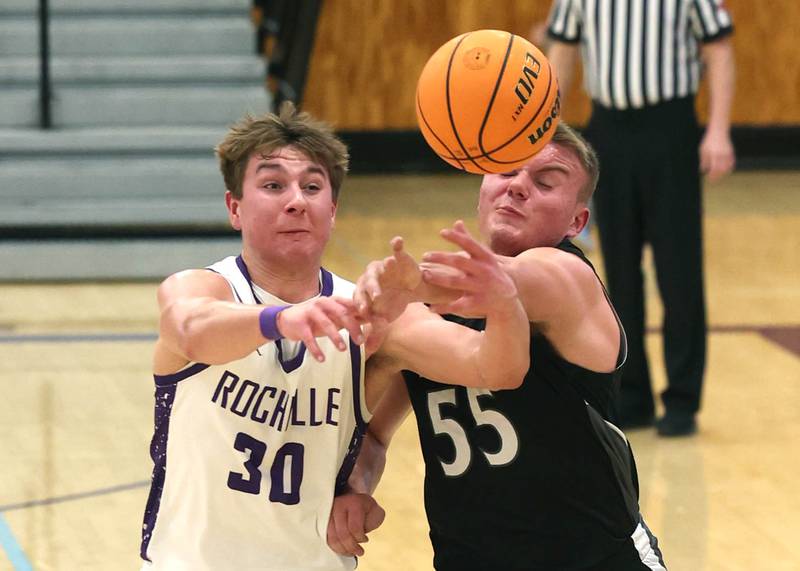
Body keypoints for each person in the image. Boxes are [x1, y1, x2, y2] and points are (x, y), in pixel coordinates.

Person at [139, 102, 531, 570]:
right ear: (235, 208)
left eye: (311, 186)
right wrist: (279, 320)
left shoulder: (370, 316)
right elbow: (189, 330)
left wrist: (503, 300)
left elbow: (498, 369)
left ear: (333, 210)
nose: (296, 200)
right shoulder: (201, 289)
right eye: (272, 185)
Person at [328, 123, 667, 570]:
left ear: (577, 221)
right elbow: (373, 434)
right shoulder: (425, 314)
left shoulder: (568, 278)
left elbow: (510, 281)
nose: (519, 187)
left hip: (598, 559)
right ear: (483, 188)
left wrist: (414, 284)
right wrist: (357, 487)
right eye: (506, 172)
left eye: (545, 181)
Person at [546, 0, 736, 435]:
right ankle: (631, 396)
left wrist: (719, 128)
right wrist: (549, 130)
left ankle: (683, 399)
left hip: (670, 127)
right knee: (618, 269)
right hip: (608, 129)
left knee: (678, 266)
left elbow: (719, 49)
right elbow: (562, 50)